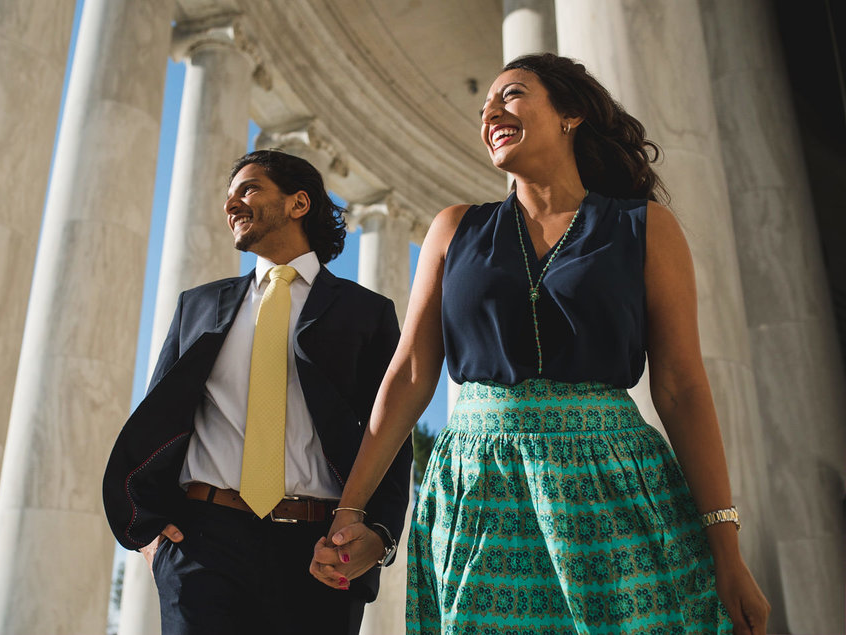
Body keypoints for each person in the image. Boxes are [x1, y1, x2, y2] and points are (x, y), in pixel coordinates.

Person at [309, 53, 771, 634]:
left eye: (512, 95)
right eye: (484, 108)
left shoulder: (646, 227)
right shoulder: (454, 228)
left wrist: (726, 552)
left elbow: (680, 389)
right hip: (479, 492)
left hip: (612, 488)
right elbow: (409, 375)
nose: (491, 114)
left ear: (570, 114)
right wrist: (350, 510)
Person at [103, 150, 412, 635]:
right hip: (201, 543)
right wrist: (151, 535)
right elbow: (158, 421)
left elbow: (391, 433)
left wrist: (381, 534)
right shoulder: (198, 306)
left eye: (248, 189)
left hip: (318, 548)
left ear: (298, 203)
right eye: (229, 196)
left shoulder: (366, 312)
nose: (232, 204)